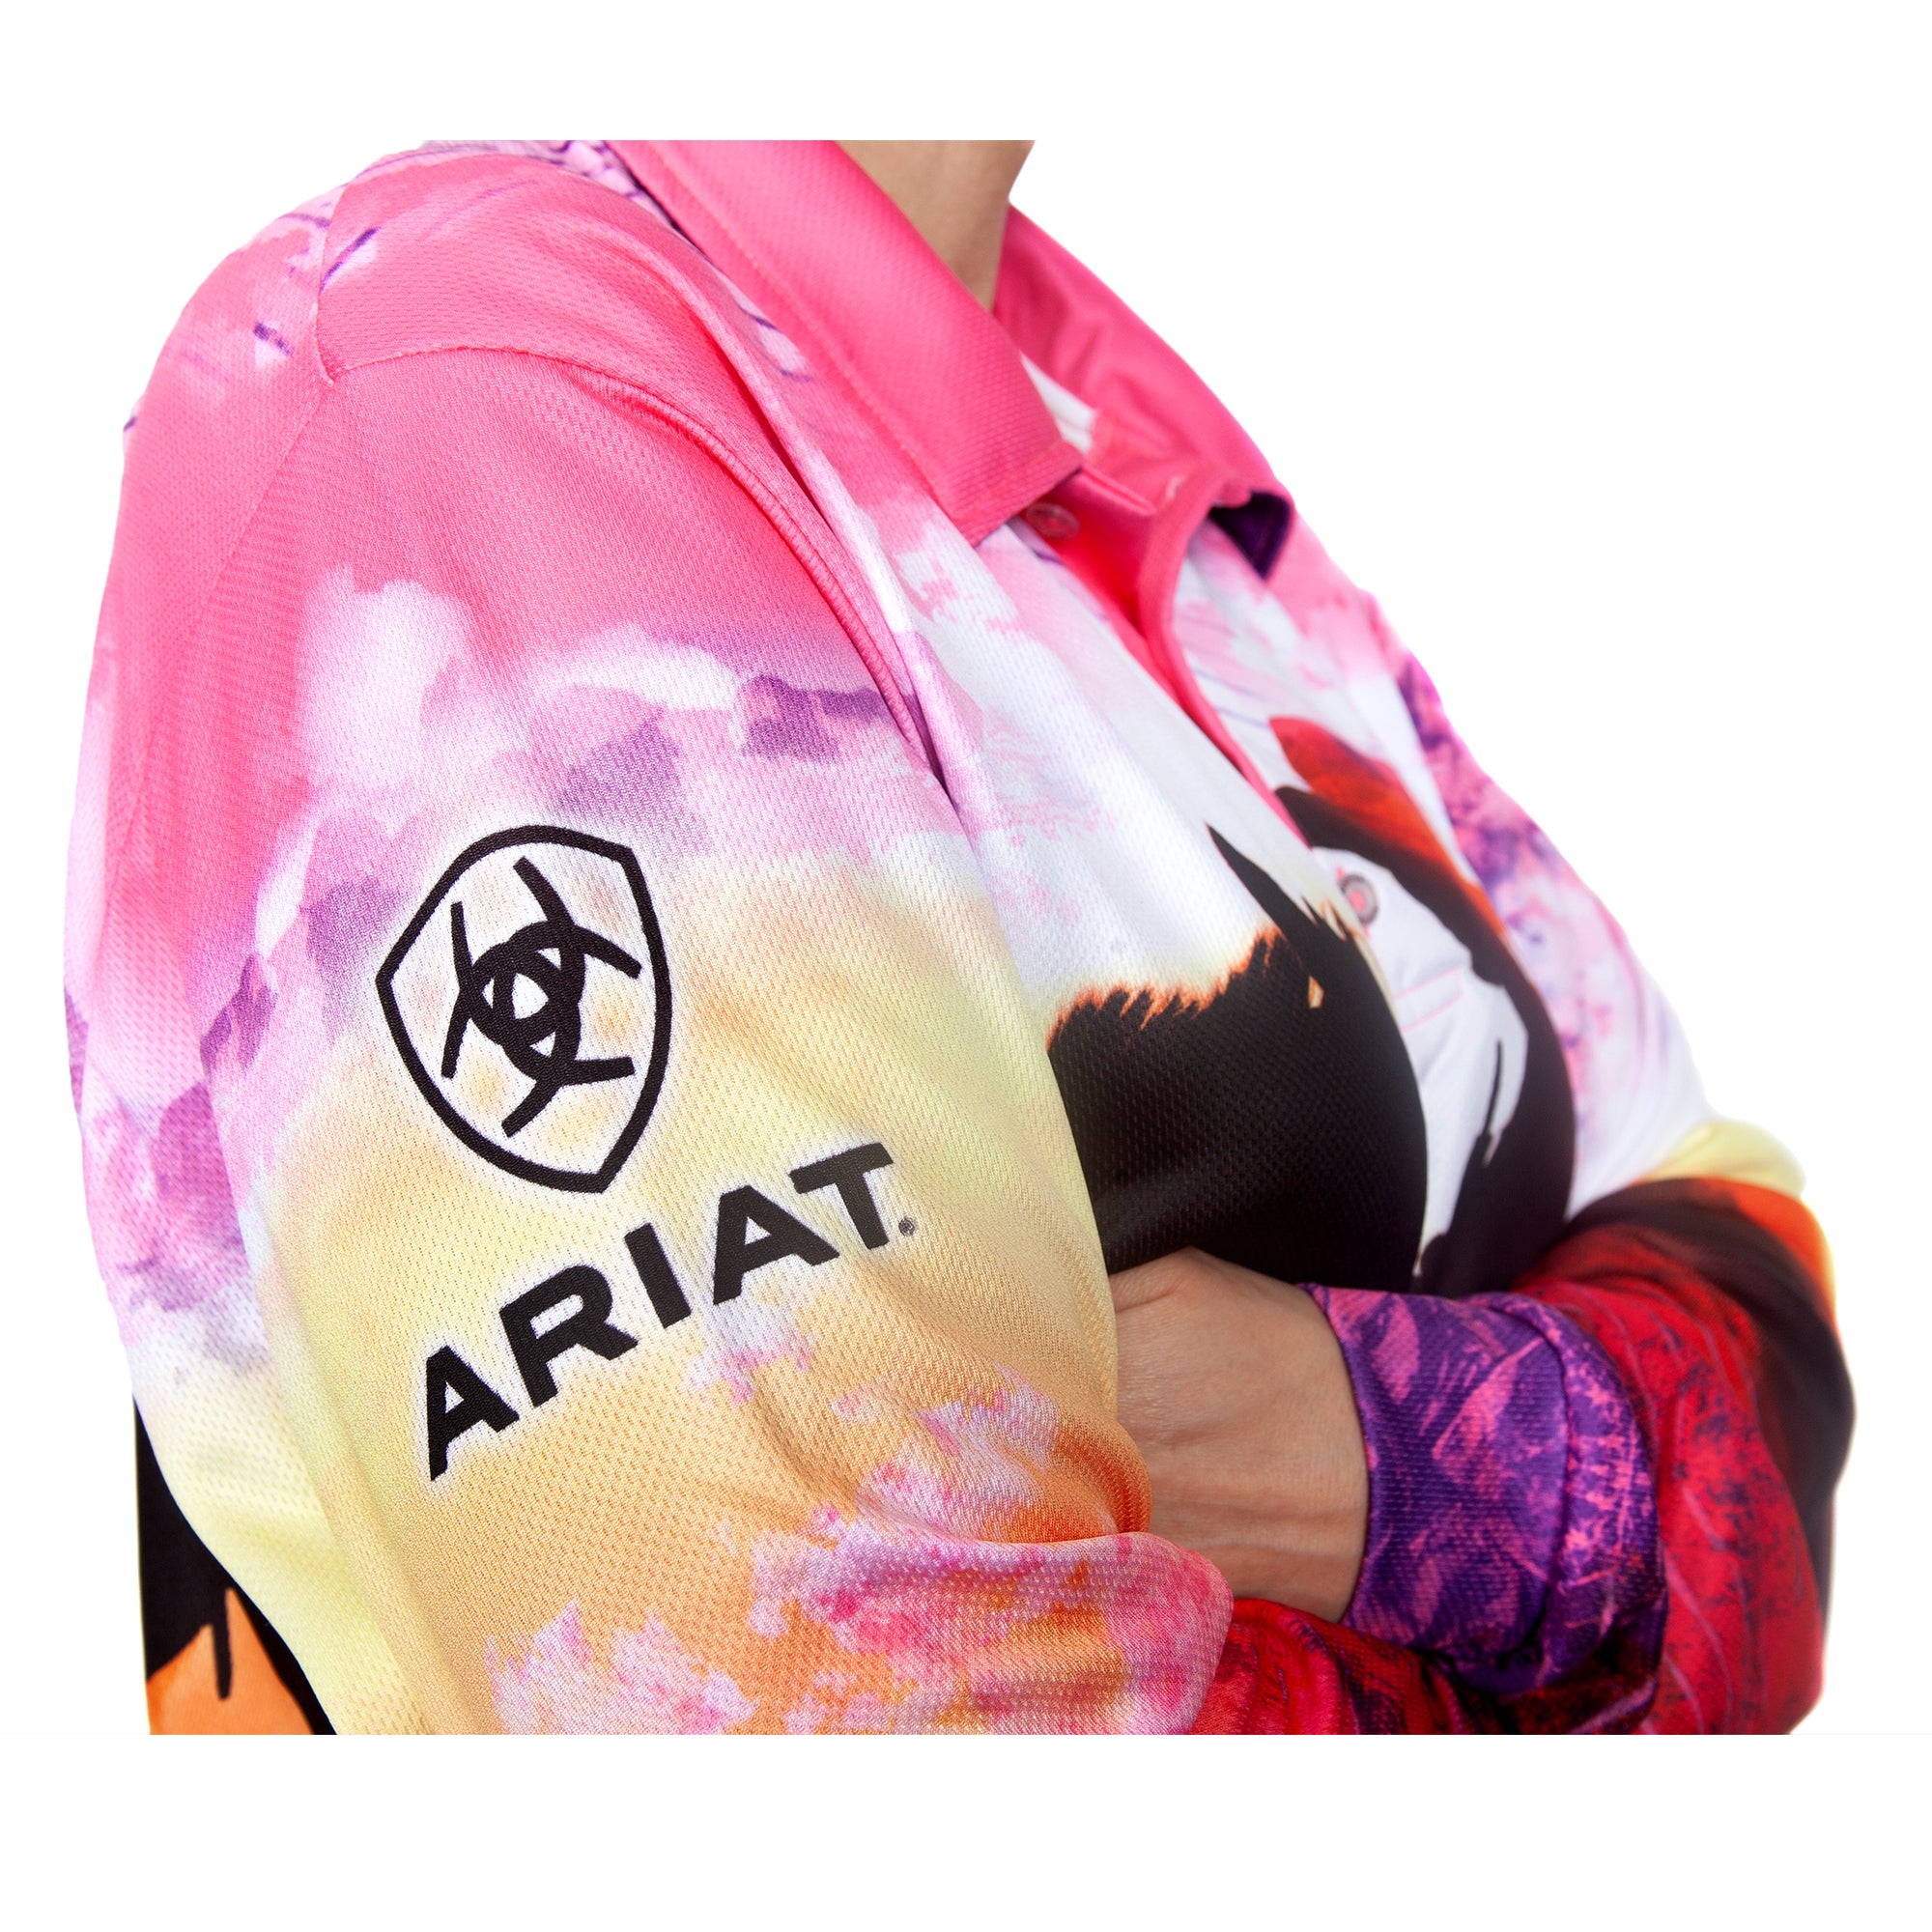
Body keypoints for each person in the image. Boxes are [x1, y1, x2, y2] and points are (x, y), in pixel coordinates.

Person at [65, 138, 1851, 1733]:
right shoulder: (458, 389)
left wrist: (1391, 1460)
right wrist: (1610, 1569)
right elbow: (842, 1728)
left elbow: (1747, 1276)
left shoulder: (1128, 429)